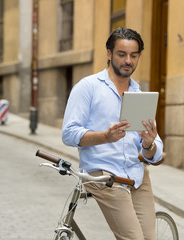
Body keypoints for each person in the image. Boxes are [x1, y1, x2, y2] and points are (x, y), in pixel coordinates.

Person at [62, 27, 163, 240]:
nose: (128, 60)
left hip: (136, 177)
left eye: (133, 55)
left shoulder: (139, 94)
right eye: (121, 54)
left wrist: (148, 145)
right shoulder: (88, 87)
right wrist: (105, 137)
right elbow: (69, 134)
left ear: (139, 57)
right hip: (104, 175)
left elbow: (155, 152)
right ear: (109, 54)